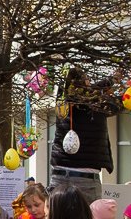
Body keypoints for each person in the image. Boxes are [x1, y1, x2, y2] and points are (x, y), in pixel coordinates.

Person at [48, 68, 119, 201]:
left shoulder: (62, 104)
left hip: (59, 175)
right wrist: (113, 82)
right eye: (87, 81)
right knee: (88, 214)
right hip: (86, 178)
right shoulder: (96, 106)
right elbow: (115, 106)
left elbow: (91, 92)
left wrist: (110, 82)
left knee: (58, 214)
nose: (90, 83)